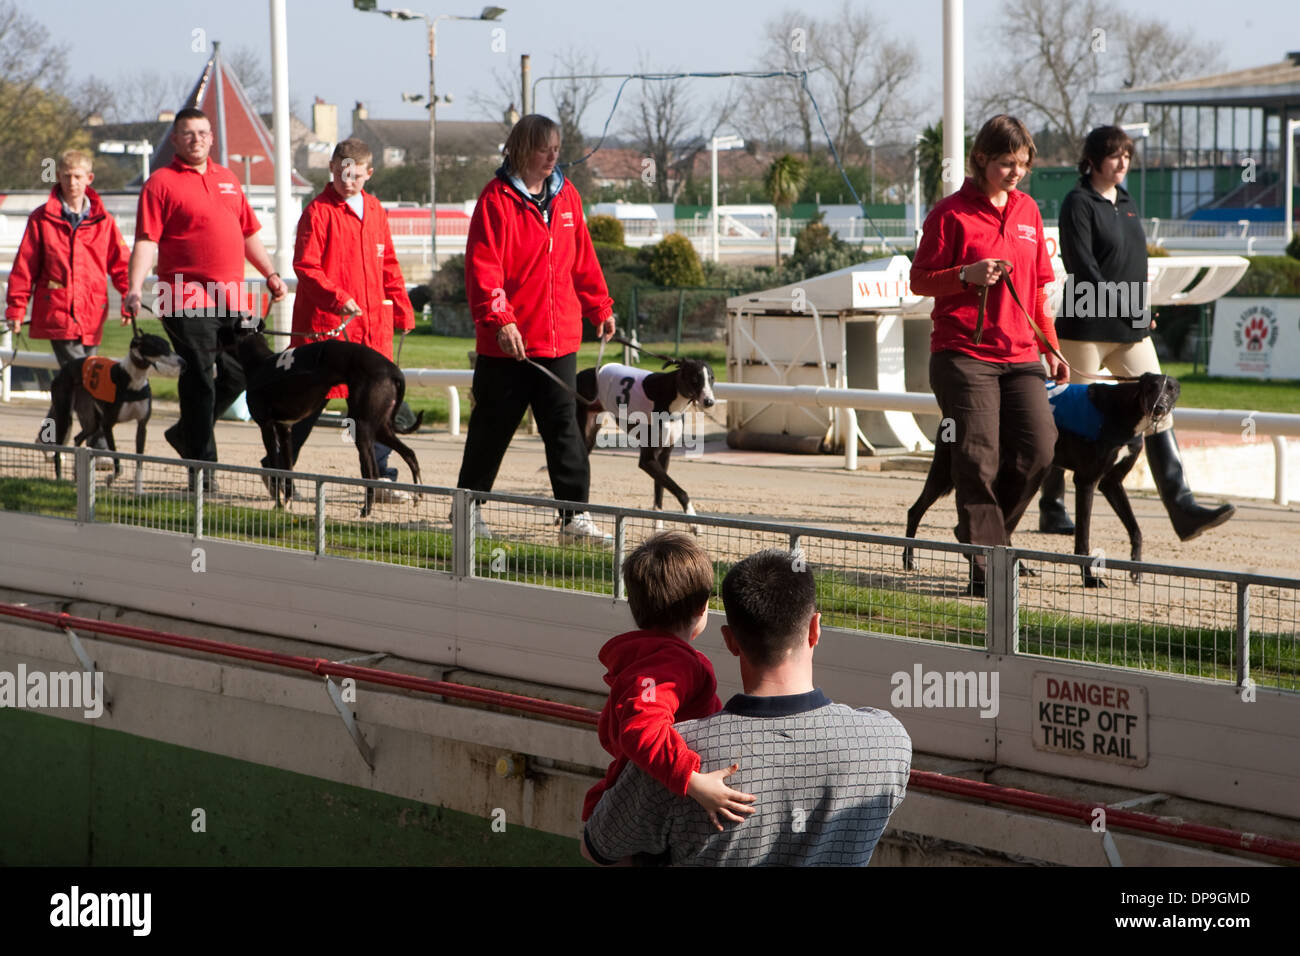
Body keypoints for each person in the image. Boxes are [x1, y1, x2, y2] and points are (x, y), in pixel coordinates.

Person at [582, 549, 911, 866]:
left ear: (730, 640)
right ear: (814, 629)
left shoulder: (682, 754)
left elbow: (596, 847)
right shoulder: (889, 742)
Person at [1040, 124, 1234, 540]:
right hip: (1084, 325)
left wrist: (1141, 310)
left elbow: (1129, 264)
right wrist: (1128, 307)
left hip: (1129, 328)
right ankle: (1051, 505)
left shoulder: (1126, 201)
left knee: (1159, 404)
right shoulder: (1078, 202)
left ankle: (1182, 508)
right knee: (1064, 417)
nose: (1123, 161)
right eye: (1114, 154)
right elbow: (1083, 269)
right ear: (1091, 160)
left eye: (1127, 154)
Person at [910, 114, 1068, 594]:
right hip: (962, 353)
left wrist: (1051, 346)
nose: (1016, 172)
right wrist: (965, 275)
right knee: (978, 457)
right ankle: (989, 569)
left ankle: (981, 535)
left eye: (1022, 164)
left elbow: (1038, 291)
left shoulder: (1028, 211)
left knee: (1040, 448)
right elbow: (919, 281)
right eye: (1006, 163)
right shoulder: (949, 213)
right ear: (980, 159)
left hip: (1021, 352)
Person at [457, 113, 615, 544]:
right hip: (506, 346)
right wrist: (501, 321)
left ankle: (574, 519)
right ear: (523, 149)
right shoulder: (495, 201)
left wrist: (599, 306)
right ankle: (467, 513)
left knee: (565, 430)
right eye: (545, 148)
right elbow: (483, 270)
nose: (553, 156)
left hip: (559, 341)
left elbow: (582, 260)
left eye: (557, 149)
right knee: (491, 429)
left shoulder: (568, 198)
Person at [123, 107, 288, 488]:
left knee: (242, 373)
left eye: (202, 132)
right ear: (176, 140)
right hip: (182, 296)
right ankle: (203, 469)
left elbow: (248, 233)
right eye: (187, 134)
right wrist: (134, 288)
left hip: (232, 298)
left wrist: (271, 274)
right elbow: (146, 241)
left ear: (211, 137)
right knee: (200, 378)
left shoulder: (228, 179)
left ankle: (187, 435)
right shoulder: (160, 183)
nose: (196, 139)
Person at [582, 531, 757, 831]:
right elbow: (641, 730)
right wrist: (693, 782)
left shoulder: (645, 658)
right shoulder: (669, 664)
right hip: (649, 813)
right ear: (702, 609)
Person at [272, 138, 416, 502]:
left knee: (376, 401)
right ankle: (278, 468)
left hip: (371, 327)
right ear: (332, 170)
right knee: (309, 402)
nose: (347, 181)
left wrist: (401, 303)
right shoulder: (318, 212)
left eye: (354, 174)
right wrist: (339, 298)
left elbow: (388, 263)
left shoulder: (377, 211)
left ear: (368, 173)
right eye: (341, 173)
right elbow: (306, 266)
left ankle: (379, 477)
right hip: (327, 327)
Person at [5, 149, 131, 453]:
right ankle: (98, 443)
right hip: (58, 314)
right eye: (65, 176)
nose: (71, 182)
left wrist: (128, 295)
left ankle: (49, 438)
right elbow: (25, 265)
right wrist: (16, 306)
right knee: (90, 379)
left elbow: (120, 262)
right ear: (57, 176)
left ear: (89, 179)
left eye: (77, 177)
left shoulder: (103, 221)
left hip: (92, 313)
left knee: (72, 381)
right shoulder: (42, 219)